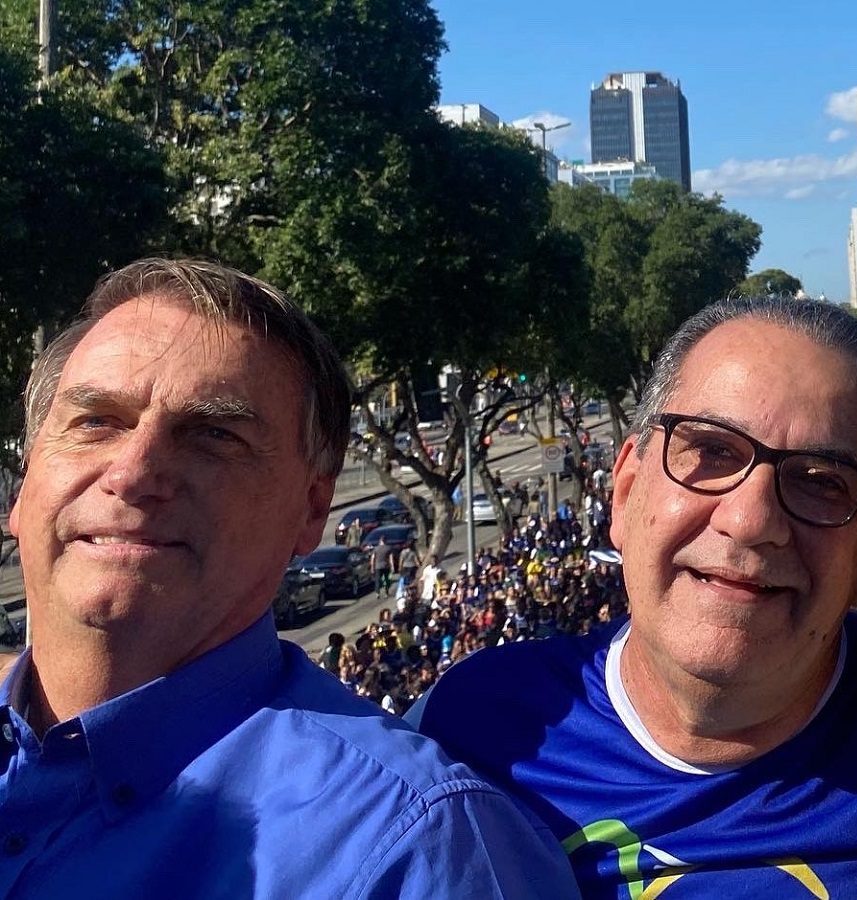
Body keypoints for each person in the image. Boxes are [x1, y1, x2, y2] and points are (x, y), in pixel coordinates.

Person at [0, 258, 577, 898]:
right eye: (96, 422)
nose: (132, 472)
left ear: (310, 511)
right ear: (23, 489)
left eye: (214, 435)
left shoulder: (417, 848)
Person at [410, 297, 857, 896]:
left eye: (821, 481)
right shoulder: (457, 732)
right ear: (625, 493)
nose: (750, 518)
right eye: (712, 451)